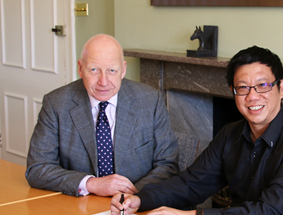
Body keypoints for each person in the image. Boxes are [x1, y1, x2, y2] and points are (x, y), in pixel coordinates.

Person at [111, 46, 283, 215]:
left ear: (281, 88)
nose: (252, 96)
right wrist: (140, 199)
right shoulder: (230, 135)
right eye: (243, 87)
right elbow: (191, 184)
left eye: (263, 86)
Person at [26, 34, 179, 197]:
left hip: (135, 202)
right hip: (79, 204)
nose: (103, 82)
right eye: (94, 70)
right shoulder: (56, 103)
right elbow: (37, 169)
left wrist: (131, 196)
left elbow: (167, 165)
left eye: (112, 71)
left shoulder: (150, 101)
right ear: (80, 68)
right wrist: (90, 183)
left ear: (123, 69)